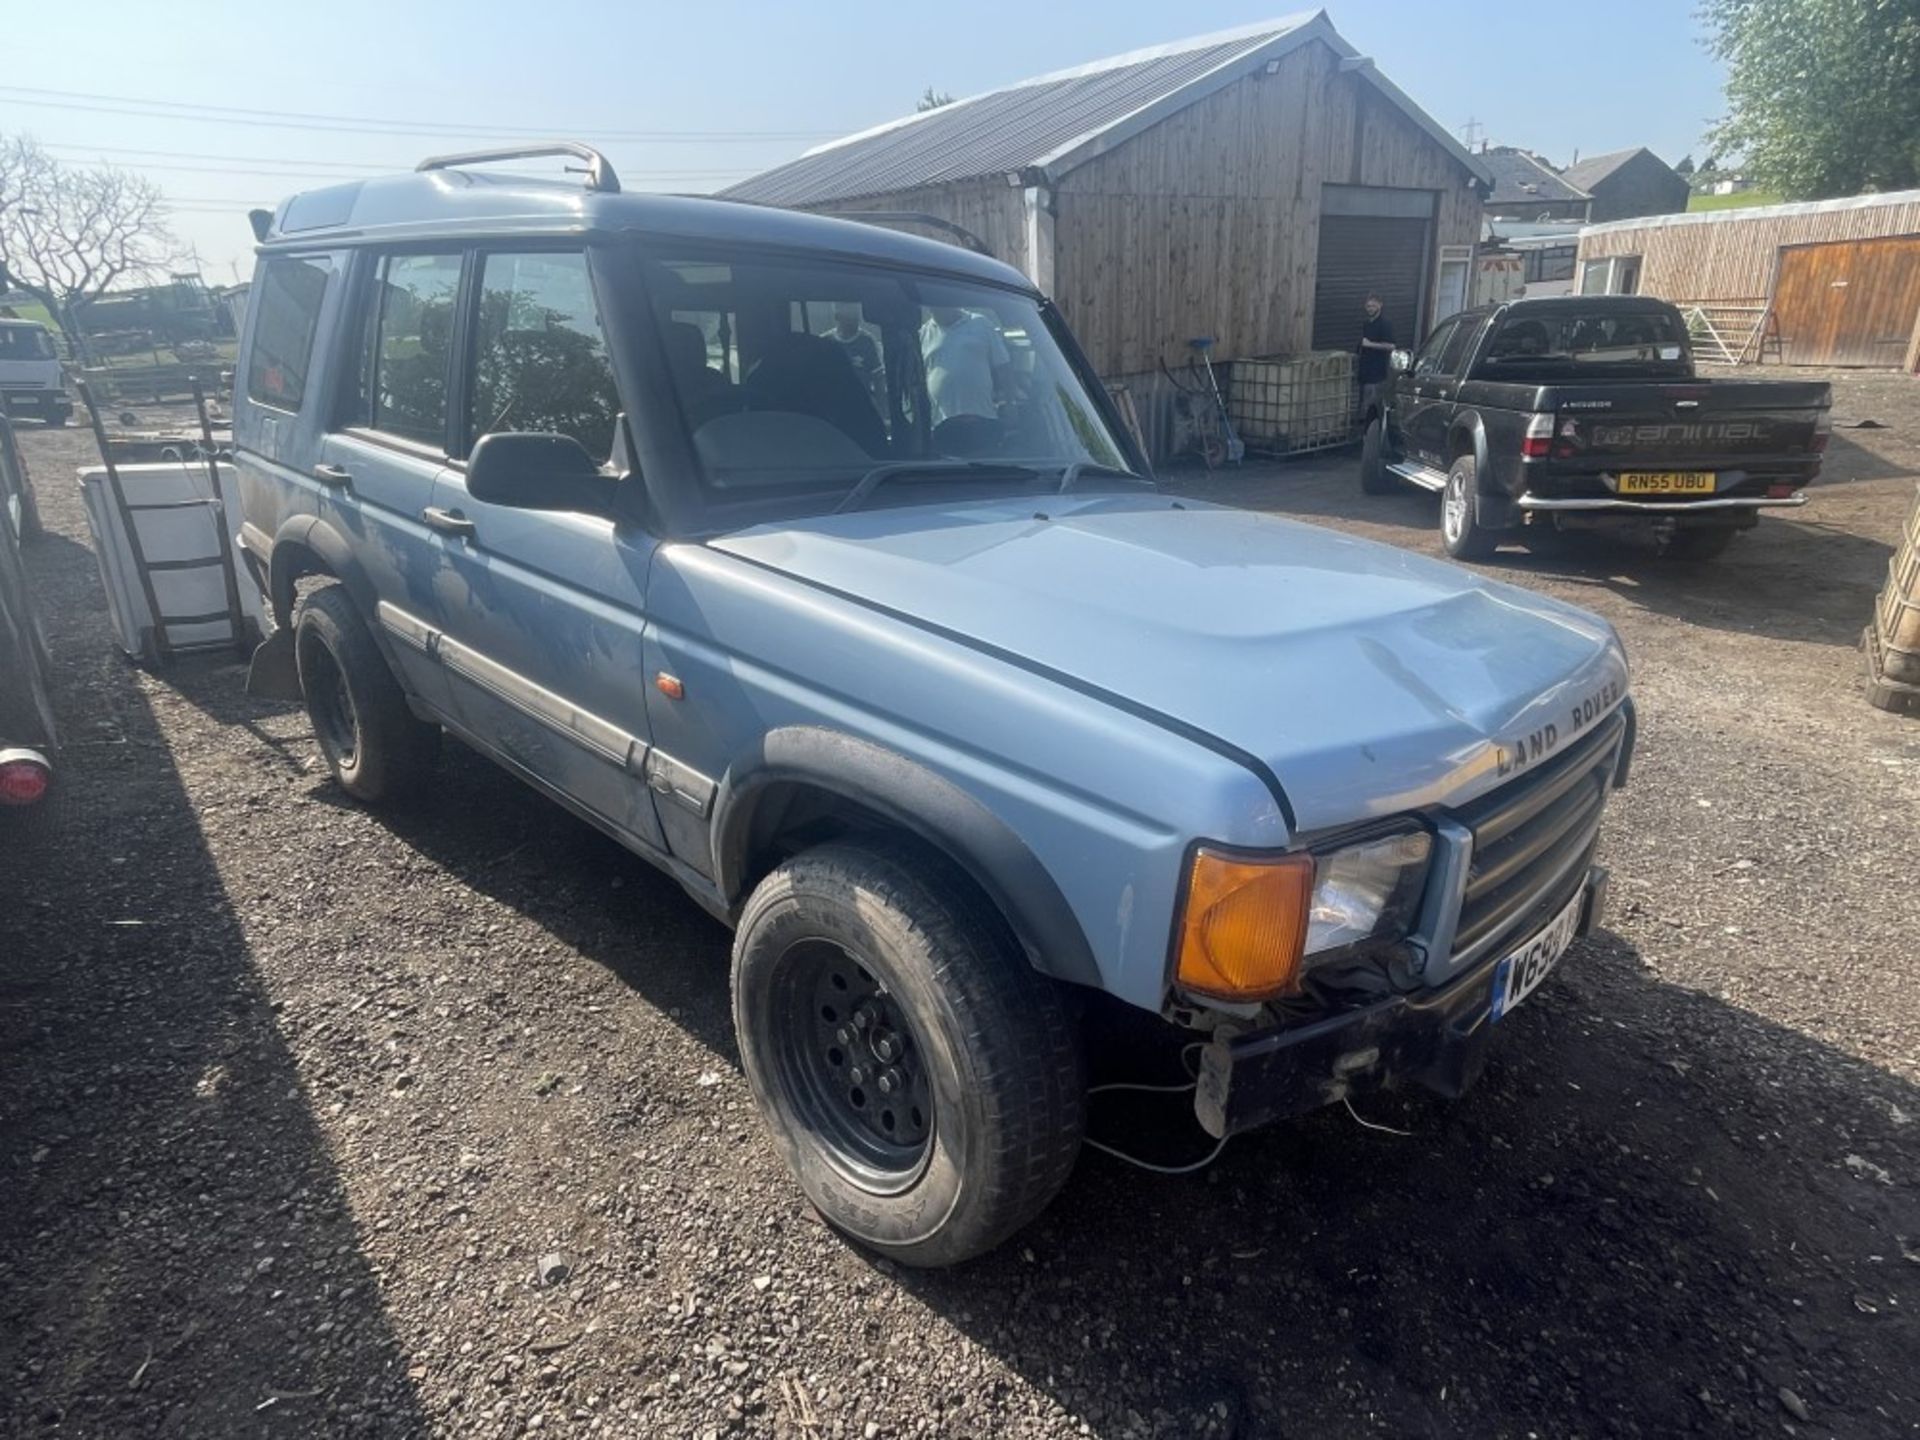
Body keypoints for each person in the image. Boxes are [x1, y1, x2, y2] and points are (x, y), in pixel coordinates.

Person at [921, 306, 1009, 425]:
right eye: (931, 307)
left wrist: (1009, 401)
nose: (934, 310)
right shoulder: (924, 334)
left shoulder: (981, 324)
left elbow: (1002, 366)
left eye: (939, 305)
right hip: (941, 423)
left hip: (982, 417)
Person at [825, 301, 885, 410]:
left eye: (856, 317)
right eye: (850, 318)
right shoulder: (826, 342)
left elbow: (878, 379)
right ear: (837, 317)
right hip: (833, 405)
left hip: (862, 404)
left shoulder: (868, 341)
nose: (855, 322)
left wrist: (884, 413)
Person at [1356, 292, 1395, 423]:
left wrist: (1370, 344)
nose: (1370, 308)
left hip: (1376, 374)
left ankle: (1370, 435)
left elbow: (1391, 346)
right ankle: (1363, 435)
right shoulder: (1366, 323)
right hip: (1364, 372)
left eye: (1373, 306)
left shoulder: (1385, 324)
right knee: (1362, 405)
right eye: (1368, 306)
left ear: (1380, 305)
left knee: (1371, 407)